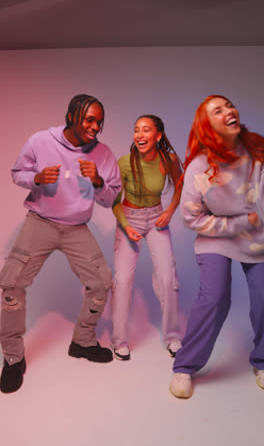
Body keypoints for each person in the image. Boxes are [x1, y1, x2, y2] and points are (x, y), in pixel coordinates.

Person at [0, 94, 121, 393]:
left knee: (102, 282)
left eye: (99, 121)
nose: (96, 126)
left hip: (77, 228)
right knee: (11, 284)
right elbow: (17, 173)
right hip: (39, 222)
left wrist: (98, 183)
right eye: (89, 119)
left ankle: (83, 341)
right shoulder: (41, 140)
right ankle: (13, 359)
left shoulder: (103, 153)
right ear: (71, 116)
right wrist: (37, 178)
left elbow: (111, 199)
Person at [169, 95, 264, 399]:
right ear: (206, 125)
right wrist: (237, 222)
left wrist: (253, 221)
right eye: (218, 110)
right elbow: (191, 217)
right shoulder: (201, 166)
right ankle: (184, 367)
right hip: (217, 236)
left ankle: (262, 361)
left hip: (257, 235)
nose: (229, 111)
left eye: (230, 106)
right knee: (214, 299)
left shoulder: (257, 152)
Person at [111, 114, 182, 361]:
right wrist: (125, 226)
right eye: (136, 130)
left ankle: (173, 337)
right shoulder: (124, 163)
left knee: (167, 278)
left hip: (156, 218)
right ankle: (119, 342)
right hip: (128, 219)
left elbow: (180, 186)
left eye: (146, 130)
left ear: (158, 136)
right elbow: (115, 203)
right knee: (122, 281)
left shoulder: (168, 159)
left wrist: (170, 211)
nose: (140, 135)